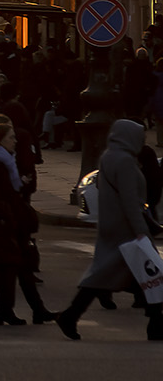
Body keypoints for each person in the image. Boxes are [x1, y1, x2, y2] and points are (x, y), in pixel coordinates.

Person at [56, 119, 162, 341]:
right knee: (148, 275)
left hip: (112, 226)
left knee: (114, 276)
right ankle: (155, 323)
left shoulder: (109, 157)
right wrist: (141, 229)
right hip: (126, 230)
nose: (142, 141)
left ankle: (71, 315)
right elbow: (130, 201)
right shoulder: (124, 161)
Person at [0, 118, 49, 325]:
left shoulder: (3, 162)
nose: (15, 141)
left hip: (7, 224)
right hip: (0, 225)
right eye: (11, 138)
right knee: (9, 268)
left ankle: (33, 310)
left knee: (19, 267)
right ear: (0, 141)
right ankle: (4, 312)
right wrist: (7, 214)